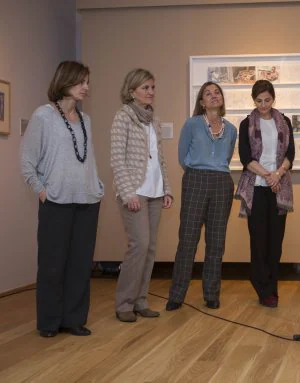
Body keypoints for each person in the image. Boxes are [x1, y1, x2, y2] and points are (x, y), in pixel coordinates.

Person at [20, 61, 104, 337]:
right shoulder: (43, 116)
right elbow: (27, 160)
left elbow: (86, 159)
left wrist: (97, 185)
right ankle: (49, 322)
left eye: (88, 82)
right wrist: (41, 190)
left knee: (81, 264)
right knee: (52, 264)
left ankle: (74, 319)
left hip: (87, 201)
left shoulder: (87, 119)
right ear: (65, 81)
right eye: (82, 82)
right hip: (55, 201)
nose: (86, 88)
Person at [166, 81, 237, 311]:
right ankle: (177, 295)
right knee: (188, 240)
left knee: (216, 242)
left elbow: (225, 159)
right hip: (195, 179)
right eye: (208, 93)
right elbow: (182, 156)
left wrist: (214, 171)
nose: (214, 96)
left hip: (222, 183)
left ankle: (211, 294)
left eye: (217, 92)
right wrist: (198, 171)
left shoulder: (232, 129)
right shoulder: (192, 124)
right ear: (201, 102)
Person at [111, 69, 173, 322]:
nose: (150, 92)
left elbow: (160, 160)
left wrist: (167, 189)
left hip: (155, 191)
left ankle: (141, 301)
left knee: (150, 248)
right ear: (132, 90)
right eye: (145, 87)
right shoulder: (122, 117)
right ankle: (124, 303)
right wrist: (128, 193)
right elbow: (117, 159)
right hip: (134, 192)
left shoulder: (153, 121)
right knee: (139, 246)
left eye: (153, 87)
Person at [235, 80, 295, 307]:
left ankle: (272, 287)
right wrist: (268, 176)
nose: (263, 105)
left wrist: (277, 175)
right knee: (259, 241)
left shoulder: (284, 122)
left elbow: (290, 153)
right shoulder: (246, 124)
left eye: (267, 100)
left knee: (276, 242)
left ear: (273, 98)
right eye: (259, 101)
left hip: (279, 188)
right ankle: (262, 288)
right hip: (257, 188)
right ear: (254, 100)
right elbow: (245, 157)